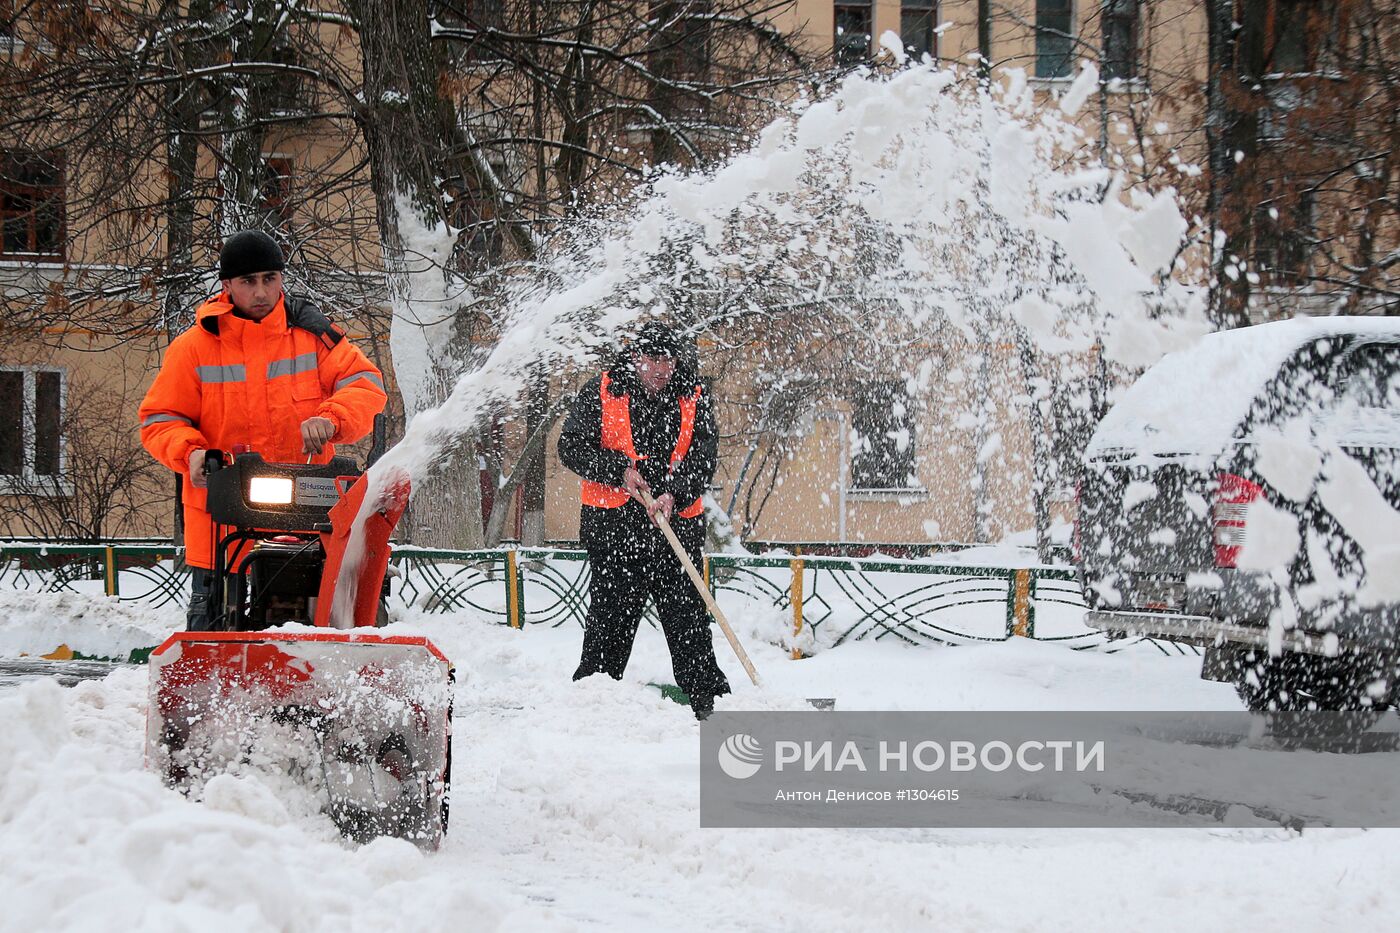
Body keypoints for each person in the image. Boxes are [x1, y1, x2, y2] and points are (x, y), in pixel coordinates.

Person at [138, 230, 388, 630]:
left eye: (270, 279)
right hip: (222, 520)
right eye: (248, 281)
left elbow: (366, 384)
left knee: (321, 626)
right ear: (227, 286)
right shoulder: (194, 348)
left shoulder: (314, 337)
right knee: (213, 628)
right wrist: (191, 454)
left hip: (306, 518)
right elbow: (159, 418)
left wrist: (332, 417)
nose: (261, 291)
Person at [558, 320, 732, 719]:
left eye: (667, 360)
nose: (660, 368)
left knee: (688, 620)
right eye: (653, 358)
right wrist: (618, 470)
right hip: (616, 530)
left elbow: (703, 458)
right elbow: (570, 447)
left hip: (677, 529)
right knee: (610, 622)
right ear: (635, 357)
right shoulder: (603, 390)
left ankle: (712, 704)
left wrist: (676, 493)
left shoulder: (693, 395)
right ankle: (592, 705)